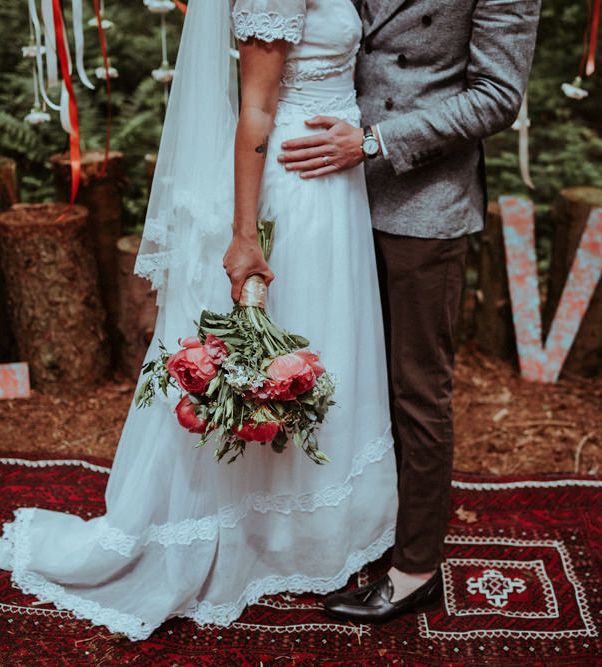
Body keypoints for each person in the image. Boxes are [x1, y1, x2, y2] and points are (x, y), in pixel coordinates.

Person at [0, 0, 398, 641]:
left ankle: (304, 532)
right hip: (298, 187)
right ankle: (253, 532)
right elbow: (257, 110)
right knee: (274, 358)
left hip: (336, 185)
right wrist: (246, 236)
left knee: (329, 348)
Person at [279, 0, 541, 622]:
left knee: (416, 390)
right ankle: (350, 531)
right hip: (330, 196)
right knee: (341, 376)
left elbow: (498, 95)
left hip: (423, 203)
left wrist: (374, 141)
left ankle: (415, 564)